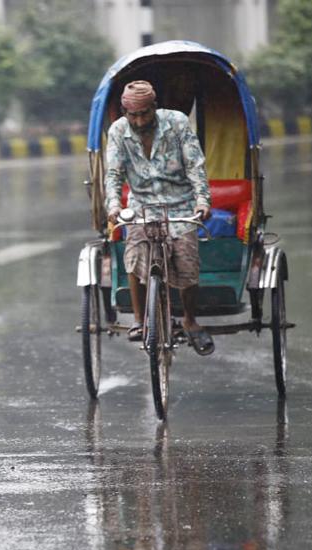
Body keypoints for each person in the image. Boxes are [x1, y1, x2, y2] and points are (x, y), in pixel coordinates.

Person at [105, 80, 214, 355]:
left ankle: (190, 321)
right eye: (133, 115)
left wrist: (202, 200)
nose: (139, 120)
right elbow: (114, 175)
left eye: (145, 113)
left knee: (187, 259)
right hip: (141, 205)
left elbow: (195, 165)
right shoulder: (119, 131)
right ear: (125, 113)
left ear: (155, 107)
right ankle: (140, 321)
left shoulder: (176, 123)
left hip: (180, 204)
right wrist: (114, 206)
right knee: (134, 251)